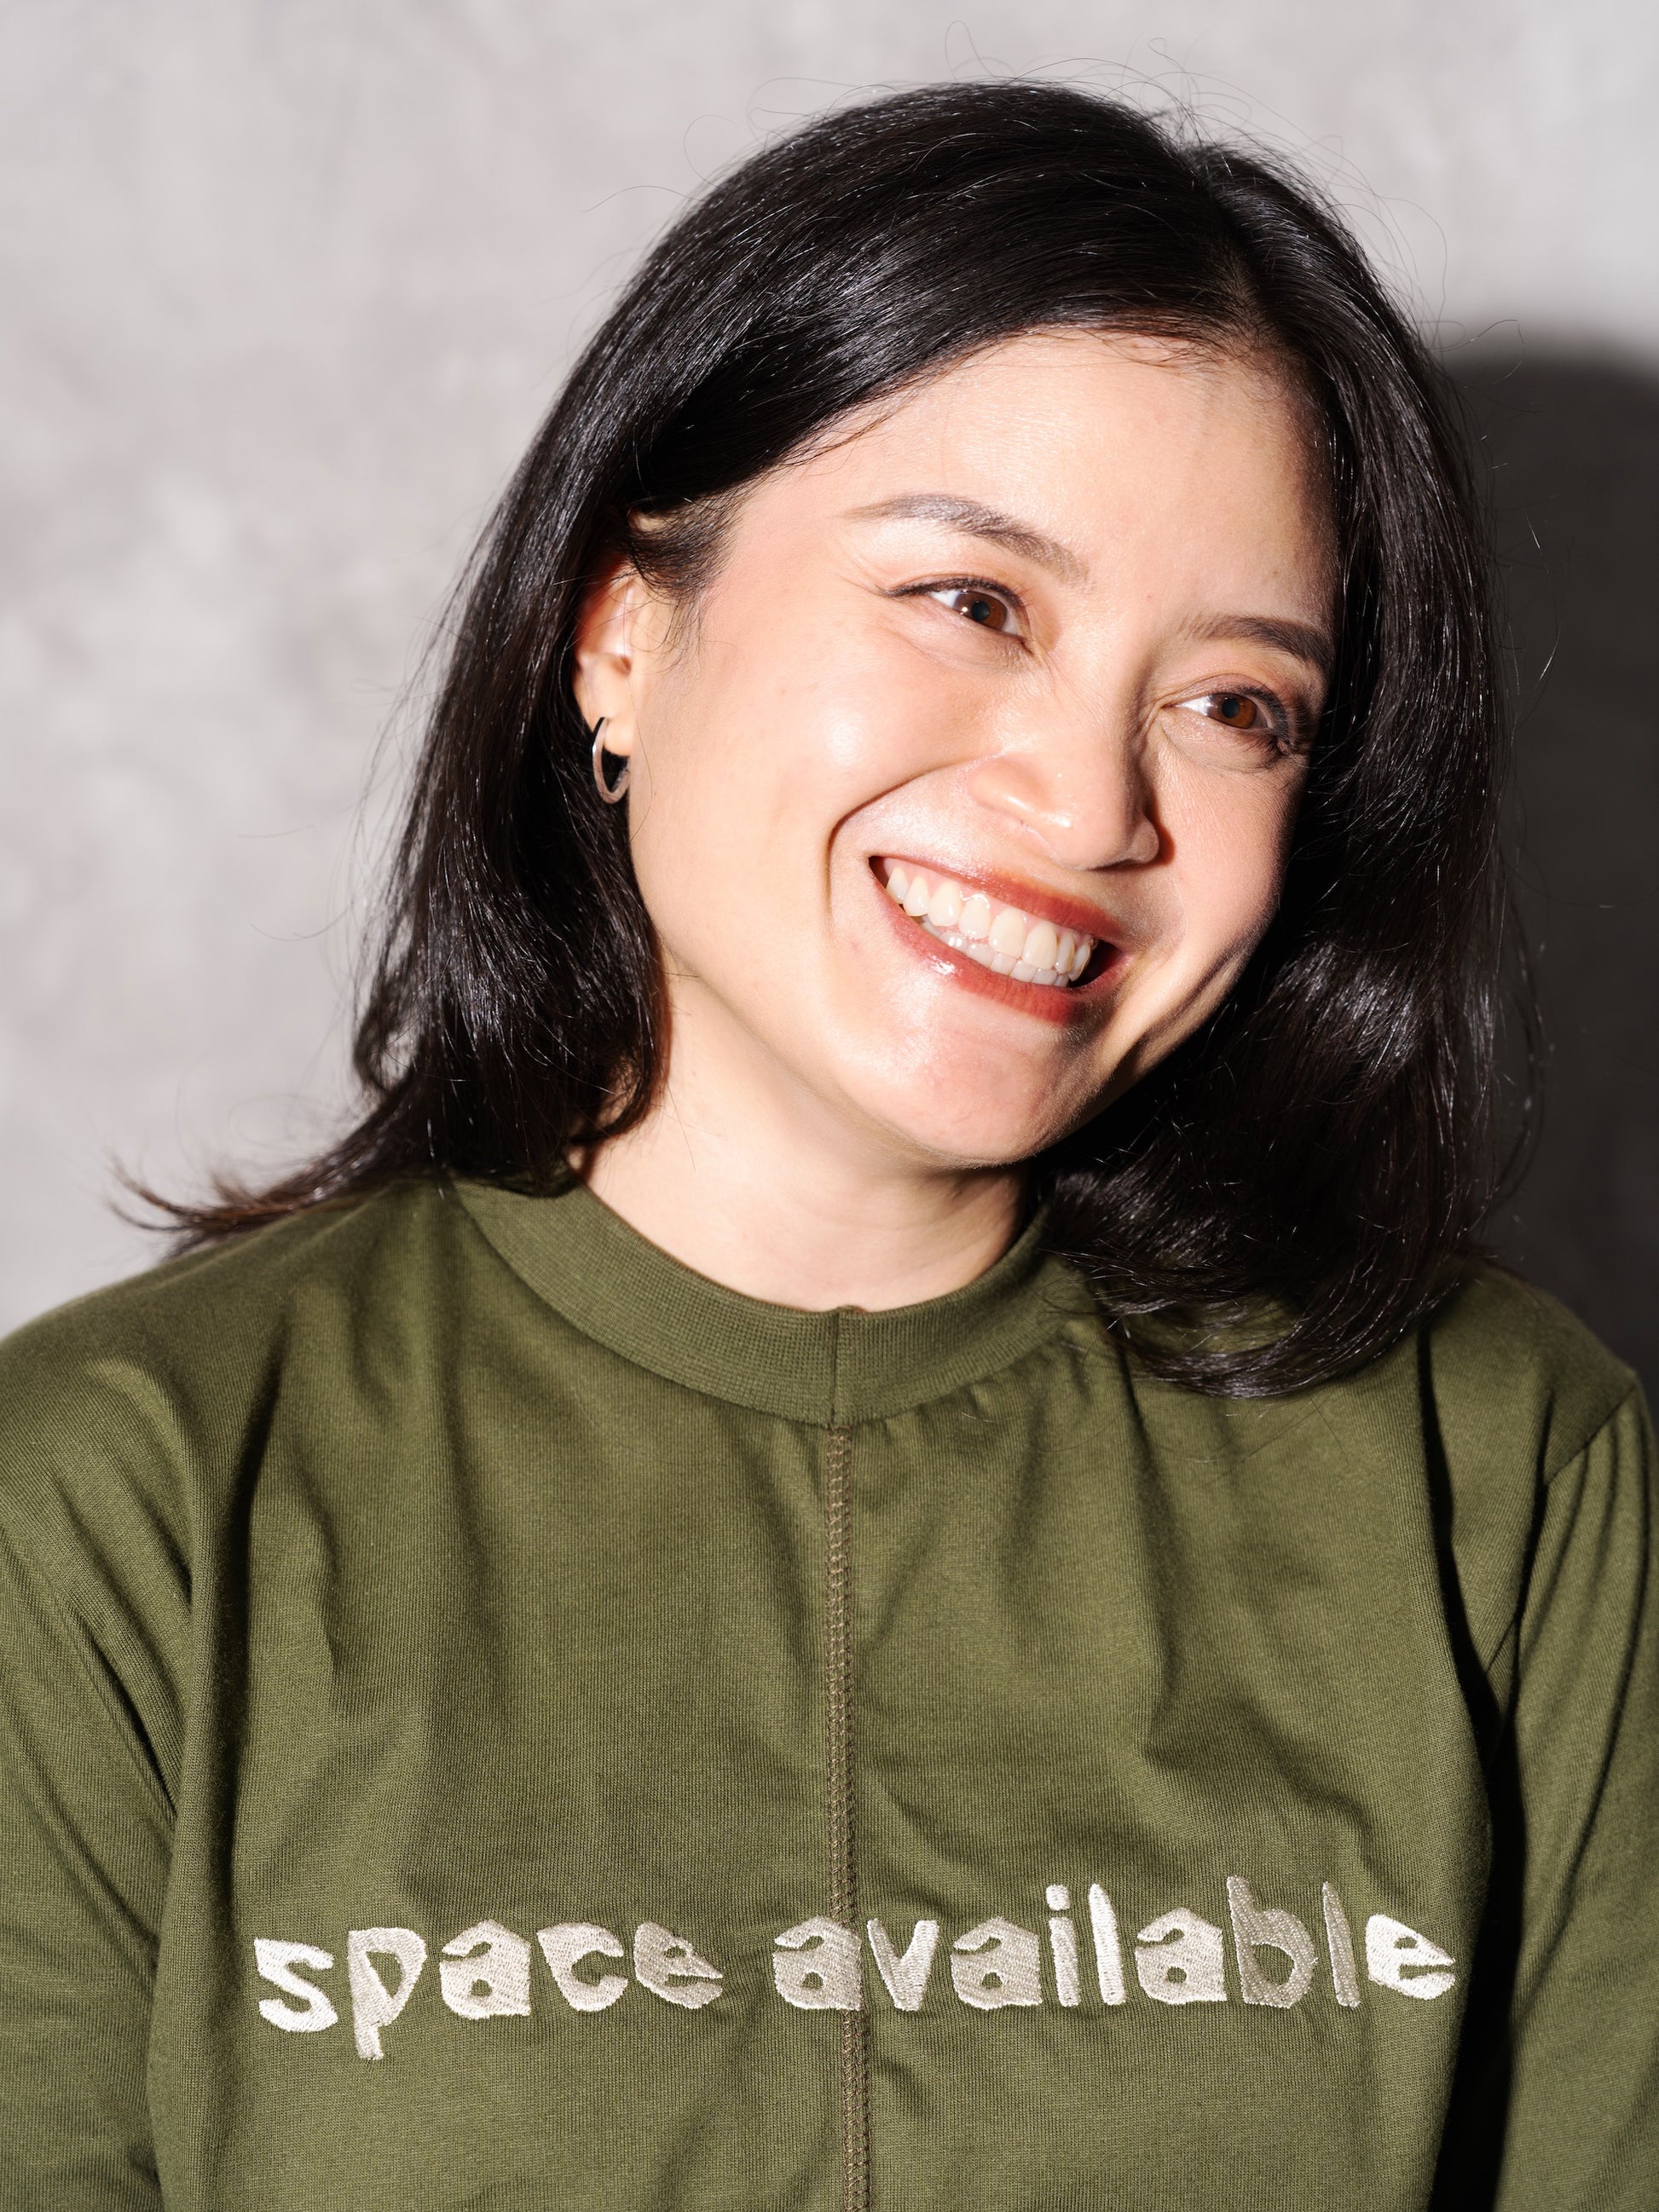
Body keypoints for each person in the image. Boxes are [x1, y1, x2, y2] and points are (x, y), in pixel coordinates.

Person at [0, 78, 1651, 2212]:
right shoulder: (107, 1504)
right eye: (973, 599)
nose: (1088, 802)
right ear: (621, 624)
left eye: (1235, 703)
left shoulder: (1507, 1477)